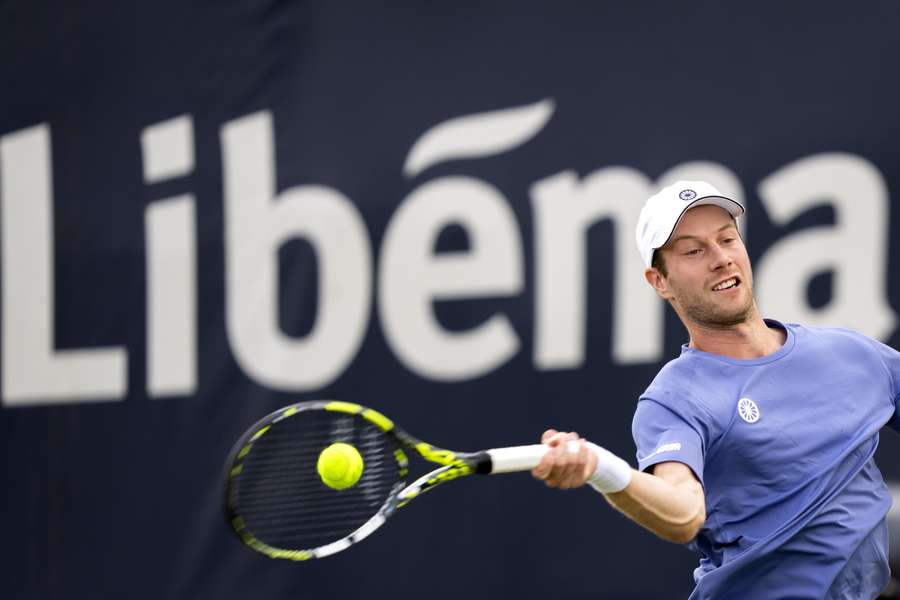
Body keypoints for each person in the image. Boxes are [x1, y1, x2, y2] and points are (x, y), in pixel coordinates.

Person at [532, 180, 900, 599]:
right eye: (693, 251)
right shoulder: (673, 400)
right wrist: (602, 469)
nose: (721, 259)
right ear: (659, 281)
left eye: (727, 239)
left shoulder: (853, 355)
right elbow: (683, 512)